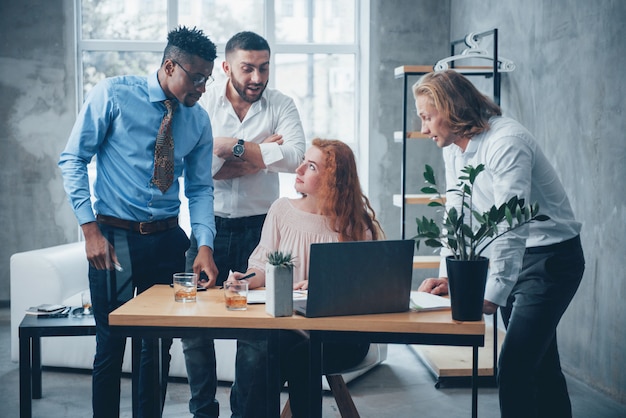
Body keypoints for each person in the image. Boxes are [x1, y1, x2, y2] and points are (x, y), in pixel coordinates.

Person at [58, 26, 219, 418]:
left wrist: (204, 247)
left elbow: (199, 190)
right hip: (114, 239)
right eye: (195, 78)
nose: (201, 88)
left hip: (166, 240)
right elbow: (73, 159)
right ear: (169, 66)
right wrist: (89, 230)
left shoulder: (197, 121)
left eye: (207, 79)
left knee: (157, 346)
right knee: (110, 344)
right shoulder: (112, 94)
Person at [413, 70, 585, 418]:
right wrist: (451, 275)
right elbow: (457, 210)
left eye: (428, 117)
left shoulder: (507, 141)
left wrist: (490, 295)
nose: (424, 128)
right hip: (513, 257)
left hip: (551, 260)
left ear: (452, 109)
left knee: (516, 368)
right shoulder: (454, 146)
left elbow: (512, 223)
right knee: (540, 366)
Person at [180, 31, 305, 417]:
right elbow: (196, 170)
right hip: (208, 229)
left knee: (256, 334)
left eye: (263, 68)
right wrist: (260, 152)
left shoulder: (282, 103)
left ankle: (246, 413)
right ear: (226, 67)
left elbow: (295, 156)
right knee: (194, 327)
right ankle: (203, 409)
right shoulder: (203, 106)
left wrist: (227, 145)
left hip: (261, 232)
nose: (257, 77)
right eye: (247, 68)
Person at [227, 138, 383, 417]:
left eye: (310, 166)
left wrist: (327, 286)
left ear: (334, 179)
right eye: (303, 163)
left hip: (342, 337)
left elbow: (366, 290)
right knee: (258, 347)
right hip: (288, 326)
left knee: (294, 354)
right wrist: (245, 279)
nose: (298, 170)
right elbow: (262, 264)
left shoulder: (355, 225)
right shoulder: (281, 210)